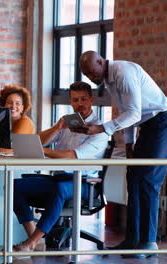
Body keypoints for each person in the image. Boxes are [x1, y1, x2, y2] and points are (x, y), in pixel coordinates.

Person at [78, 51, 167, 258]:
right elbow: (128, 112)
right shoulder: (109, 81)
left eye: (90, 71)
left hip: (163, 122)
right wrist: (130, 145)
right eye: (86, 74)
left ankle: (149, 242)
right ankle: (133, 240)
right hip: (147, 126)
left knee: (148, 180)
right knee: (133, 178)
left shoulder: (123, 72)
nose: (90, 76)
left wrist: (102, 128)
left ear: (100, 61)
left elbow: (134, 113)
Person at [12, 81, 108, 252]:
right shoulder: (68, 123)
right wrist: (57, 128)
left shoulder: (99, 130)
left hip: (86, 184)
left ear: (91, 100)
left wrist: (42, 151)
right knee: (14, 187)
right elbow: (38, 140)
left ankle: (31, 242)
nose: (80, 104)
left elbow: (72, 156)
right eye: (75, 100)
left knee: (60, 189)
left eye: (83, 99)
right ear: (70, 102)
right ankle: (34, 236)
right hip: (59, 178)